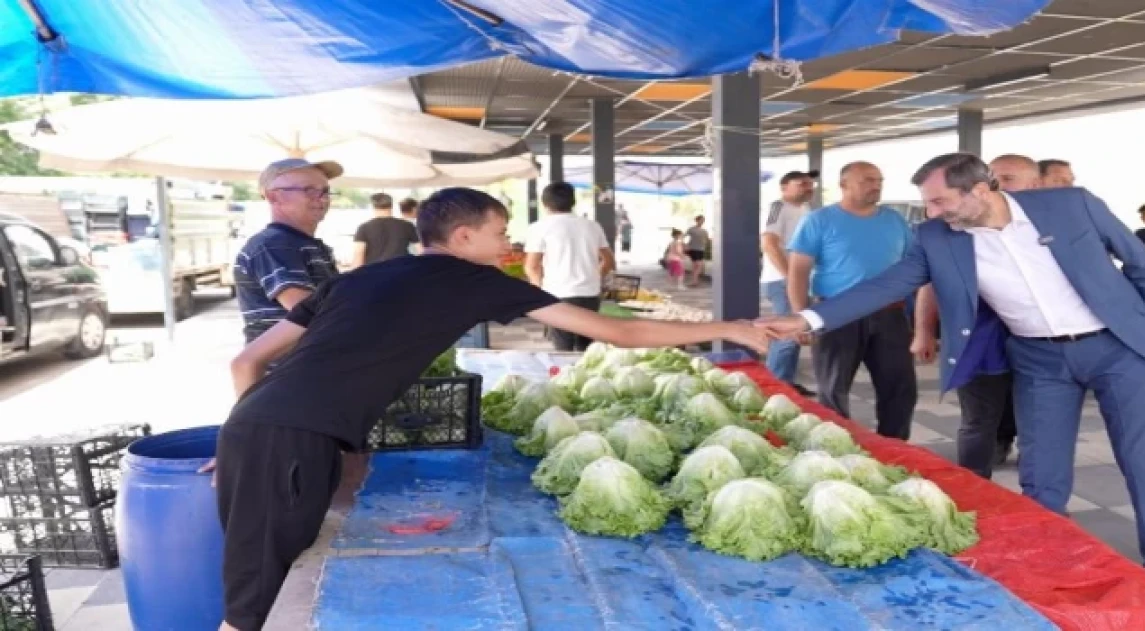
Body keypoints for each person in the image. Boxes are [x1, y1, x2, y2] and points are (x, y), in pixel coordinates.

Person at [207, 188, 768, 631]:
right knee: (250, 608)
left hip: (264, 429)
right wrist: (732, 329)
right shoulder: (474, 281)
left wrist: (241, 436)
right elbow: (614, 332)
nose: (506, 244)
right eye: (500, 233)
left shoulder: (360, 278)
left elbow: (246, 362)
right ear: (464, 235)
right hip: (288, 440)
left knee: (270, 581)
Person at [760, 152, 1145, 574]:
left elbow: (1140, 262)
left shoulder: (1070, 204)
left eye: (940, 201)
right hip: (1040, 360)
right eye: (927, 203)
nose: (931, 212)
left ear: (980, 190)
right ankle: (1047, 569)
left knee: (1143, 462)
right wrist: (807, 317)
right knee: (1042, 475)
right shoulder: (937, 236)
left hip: (1118, 347)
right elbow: (885, 285)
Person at [911, 153, 1039, 477]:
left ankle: (1041, 492)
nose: (997, 184)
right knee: (978, 420)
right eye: (994, 176)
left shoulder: (1047, 228)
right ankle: (973, 486)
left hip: (1038, 344)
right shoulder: (955, 228)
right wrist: (923, 331)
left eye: (1007, 178)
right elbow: (928, 282)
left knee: (1038, 420)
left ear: (1034, 184)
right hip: (980, 343)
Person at [788, 161, 918, 438]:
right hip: (835, 314)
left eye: (879, 180)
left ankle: (895, 448)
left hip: (890, 315)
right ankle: (837, 448)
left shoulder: (895, 220)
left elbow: (914, 266)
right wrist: (800, 316)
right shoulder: (819, 220)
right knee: (833, 388)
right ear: (844, 185)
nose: (876, 185)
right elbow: (798, 271)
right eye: (868, 180)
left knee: (900, 387)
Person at [234, 158, 342, 344]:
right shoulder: (274, 244)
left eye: (325, 191)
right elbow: (309, 312)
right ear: (273, 196)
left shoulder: (308, 245)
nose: (322, 198)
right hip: (289, 369)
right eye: (309, 190)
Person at [525, 182, 616, 351]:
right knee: (586, 348)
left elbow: (532, 266)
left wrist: (538, 291)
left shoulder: (539, 228)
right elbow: (609, 261)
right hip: (590, 294)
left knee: (562, 348)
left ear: (544, 203)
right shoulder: (592, 226)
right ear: (573, 202)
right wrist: (597, 276)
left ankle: (566, 375)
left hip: (558, 295)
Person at [761, 170, 817, 396]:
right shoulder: (778, 207)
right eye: (802, 183)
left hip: (800, 280)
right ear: (784, 188)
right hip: (780, 280)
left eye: (810, 184)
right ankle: (774, 388)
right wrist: (790, 277)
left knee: (796, 333)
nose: (808, 187)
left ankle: (785, 382)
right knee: (786, 335)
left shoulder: (805, 210)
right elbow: (769, 243)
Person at [351, 193, 419, 267]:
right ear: (391, 205)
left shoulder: (364, 228)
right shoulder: (407, 225)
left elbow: (358, 259)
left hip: (375, 273)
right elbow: (421, 250)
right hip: (401, 271)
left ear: (373, 206)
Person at [684, 215, 710, 287]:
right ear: (697, 220)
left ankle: (695, 281)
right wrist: (685, 245)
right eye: (700, 220)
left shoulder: (704, 231)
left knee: (698, 266)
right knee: (697, 265)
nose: (702, 221)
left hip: (701, 249)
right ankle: (694, 281)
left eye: (703, 220)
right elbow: (683, 236)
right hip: (693, 249)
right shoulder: (691, 229)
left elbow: (707, 240)